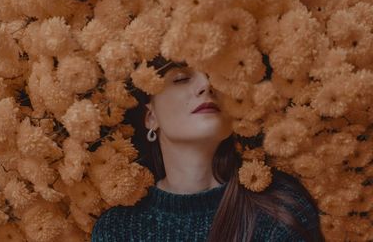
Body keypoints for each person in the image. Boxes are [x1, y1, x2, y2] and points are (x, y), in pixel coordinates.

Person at [91, 55, 325, 242]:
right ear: (151, 116)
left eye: (219, 77)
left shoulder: (279, 210)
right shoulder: (117, 230)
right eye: (182, 78)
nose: (206, 85)